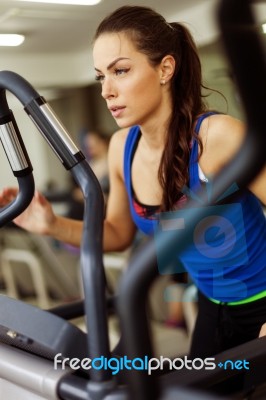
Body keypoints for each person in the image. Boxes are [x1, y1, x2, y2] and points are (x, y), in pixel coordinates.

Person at [0, 5, 265, 359]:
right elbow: (117, 233)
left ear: (165, 69)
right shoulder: (122, 148)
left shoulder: (216, 138)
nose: (106, 91)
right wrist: (49, 224)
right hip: (212, 307)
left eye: (120, 71)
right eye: (100, 77)